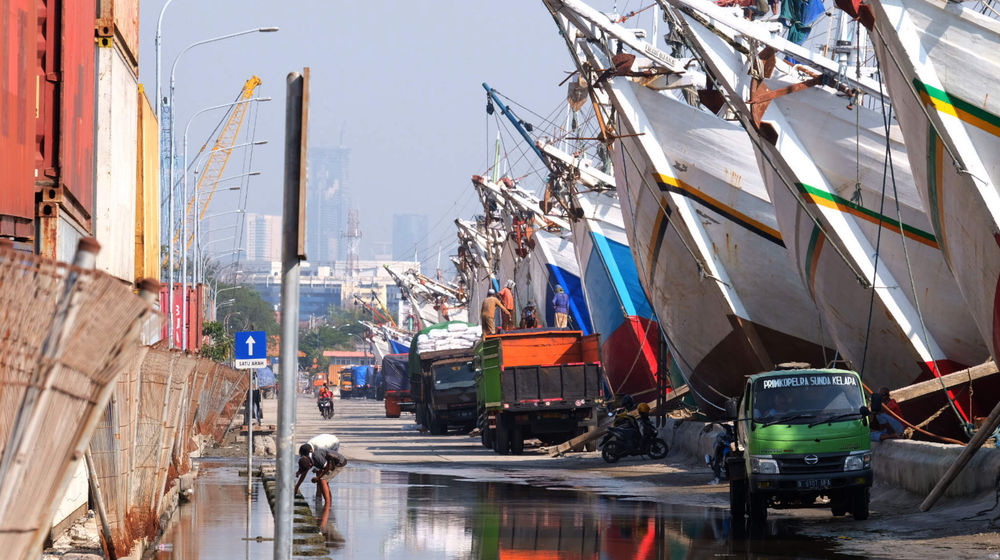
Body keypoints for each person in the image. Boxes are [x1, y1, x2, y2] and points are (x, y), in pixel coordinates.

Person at [295, 434, 348, 508]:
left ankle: (326, 503)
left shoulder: (318, 449)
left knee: (323, 479)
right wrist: (297, 485)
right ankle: (320, 498)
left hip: (333, 444)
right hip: (326, 457)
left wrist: (319, 476)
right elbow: (306, 466)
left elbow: (328, 466)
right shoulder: (307, 450)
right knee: (322, 477)